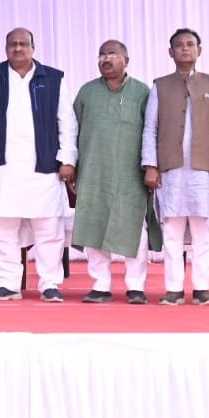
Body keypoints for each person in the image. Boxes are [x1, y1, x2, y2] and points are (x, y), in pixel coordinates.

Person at [0, 28, 77, 302]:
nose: (18, 48)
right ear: (6, 48)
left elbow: (67, 123)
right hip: (2, 167)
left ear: (33, 47)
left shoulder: (53, 78)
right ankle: (9, 283)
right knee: (3, 227)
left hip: (44, 167)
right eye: (12, 44)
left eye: (23, 44)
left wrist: (67, 159)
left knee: (49, 228)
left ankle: (50, 284)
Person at [142, 28, 209, 306]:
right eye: (179, 45)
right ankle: (174, 289)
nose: (185, 49)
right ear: (171, 52)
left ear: (199, 50)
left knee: (203, 231)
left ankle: (202, 288)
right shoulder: (160, 85)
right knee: (172, 232)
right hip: (171, 170)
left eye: (190, 44)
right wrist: (151, 165)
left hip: (204, 170)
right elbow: (150, 127)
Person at [71, 40, 153, 305]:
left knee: (135, 229)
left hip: (131, 175)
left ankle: (136, 286)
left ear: (126, 61)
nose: (106, 59)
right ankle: (101, 284)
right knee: (93, 225)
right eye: (102, 55)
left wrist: (151, 167)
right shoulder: (87, 92)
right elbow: (72, 131)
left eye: (112, 54)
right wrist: (72, 167)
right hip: (93, 172)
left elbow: (152, 132)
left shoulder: (142, 92)